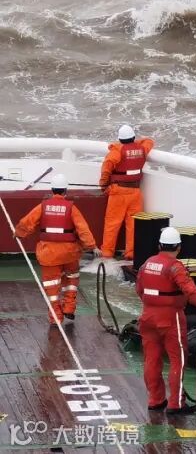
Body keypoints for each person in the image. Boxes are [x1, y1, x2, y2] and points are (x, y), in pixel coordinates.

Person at [136, 226, 196, 414]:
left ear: (159, 245)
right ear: (178, 247)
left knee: (151, 359)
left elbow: (139, 289)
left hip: (147, 317)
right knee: (177, 360)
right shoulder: (175, 267)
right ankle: (176, 403)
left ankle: (155, 399)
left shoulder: (147, 264)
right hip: (171, 318)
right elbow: (191, 292)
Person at [14, 174, 98, 326]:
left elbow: (27, 223)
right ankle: (69, 307)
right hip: (69, 253)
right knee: (71, 279)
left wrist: (18, 233)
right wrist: (91, 246)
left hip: (49, 254)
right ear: (65, 191)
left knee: (52, 287)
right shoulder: (71, 208)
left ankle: (56, 318)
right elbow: (83, 229)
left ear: (52, 190)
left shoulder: (43, 207)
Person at [99, 124, 154, 260]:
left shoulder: (116, 151)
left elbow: (106, 168)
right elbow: (149, 141)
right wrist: (135, 144)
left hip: (118, 192)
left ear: (120, 139)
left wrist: (103, 185)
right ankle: (131, 253)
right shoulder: (142, 149)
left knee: (112, 224)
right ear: (133, 137)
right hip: (135, 192)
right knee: (134, 225)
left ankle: (107, 253)